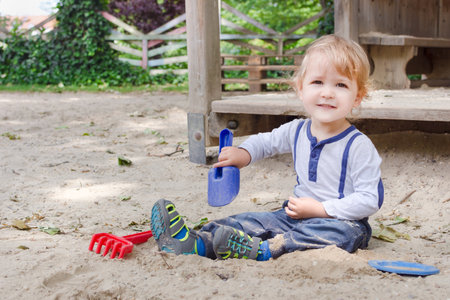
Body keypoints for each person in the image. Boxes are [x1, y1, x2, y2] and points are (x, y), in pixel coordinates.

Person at [150, 34, 384, 261]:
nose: (327, 92)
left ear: (357, 97)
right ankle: (195, 242)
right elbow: (265, 142)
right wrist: (244, 154)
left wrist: (321, 209)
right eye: (317, 82)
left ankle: (266, 249)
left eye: (341, 84)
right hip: (294, 216)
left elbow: (369, 199)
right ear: (301, 89)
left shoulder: (358, 146)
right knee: (250, 221)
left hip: (340, 221)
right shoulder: (297, 130)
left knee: (345, 235)